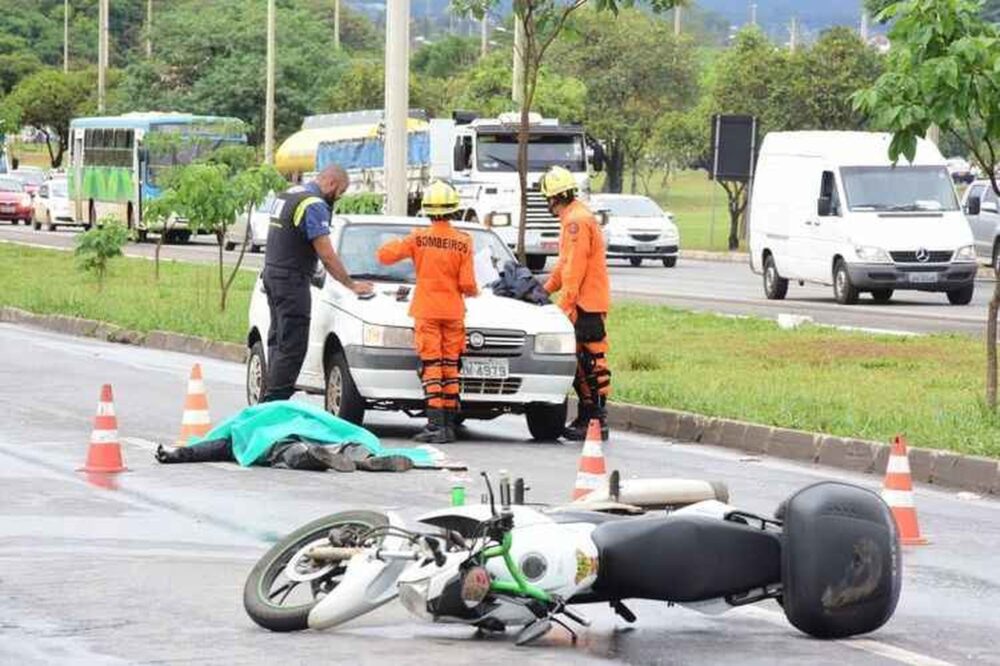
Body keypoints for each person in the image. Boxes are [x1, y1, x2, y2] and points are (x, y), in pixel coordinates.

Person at [377, 180, 478, 443]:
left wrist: (396, 242)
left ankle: (435, 425)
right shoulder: (464, 241)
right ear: (454, 210)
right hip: (454, 311)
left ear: (428, 210)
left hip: (427, 310)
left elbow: (385, 256)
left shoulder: (419, 238)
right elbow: (468, 284)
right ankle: (449, 426)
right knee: (450, 366)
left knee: (432, 365)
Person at [261, 165, 373, 402]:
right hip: (291, 281)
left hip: (272, 275)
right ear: (332, 184)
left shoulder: (290, 193)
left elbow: (289, 239)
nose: (339, 197)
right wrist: (351, 285)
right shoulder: (313, 204)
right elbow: (327, 254)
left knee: (278, 341)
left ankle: (268, 400)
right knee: (293, 345)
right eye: (340, 191)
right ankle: (275, 403)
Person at [540, 166, 612, 441]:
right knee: (582, 361)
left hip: (585, 304)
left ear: (553, 198)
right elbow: (564, 266)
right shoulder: (576, 217)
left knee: (588, 361)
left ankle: (594, 419)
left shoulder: (575, 222)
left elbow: (574, 270)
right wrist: (543, 289)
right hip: (587, 301)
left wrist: (565, 305)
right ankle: (590, 416)